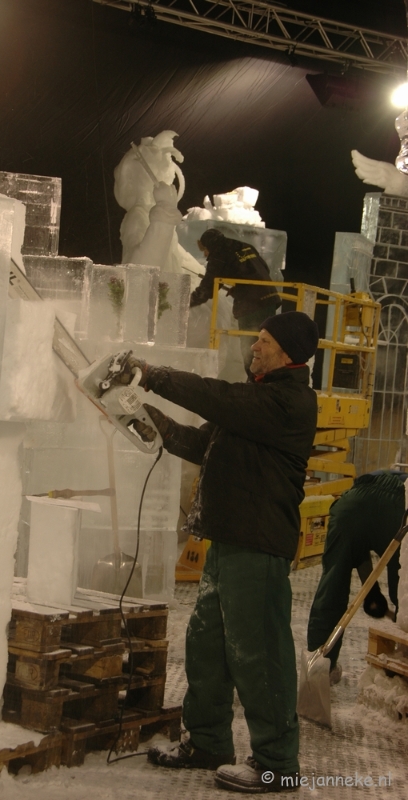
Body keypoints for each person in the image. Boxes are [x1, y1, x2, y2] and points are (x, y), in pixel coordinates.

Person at [118, 311, 319, 793]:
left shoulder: (287, 402)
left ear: (288, 354)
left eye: (264, 342)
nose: (254, 348)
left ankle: (276, 763)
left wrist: (152, 376)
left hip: (257, 547)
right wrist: (147, 419)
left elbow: (216, 397)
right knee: (206, 645)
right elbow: (197, 442)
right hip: (227, 542)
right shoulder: (254, 402)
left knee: (259, 654)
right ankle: (207, 740)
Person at [307, 470, 407, 684]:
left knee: (332, 587)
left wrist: (370, 592)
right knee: (404, 588)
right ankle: (404, 660)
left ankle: (320, 669)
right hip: (398, 507)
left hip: (350, 504)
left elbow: (359, 542)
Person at [190, 228, 282, 377]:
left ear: (209, 246)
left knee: (251, 347)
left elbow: (208, 286)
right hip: (269, 299)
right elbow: (262, 269)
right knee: (265, 343)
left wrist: (190, 301)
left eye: (205, 250)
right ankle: (265, 379)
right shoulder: (244, 246)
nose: (205, 254)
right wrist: (239, 287)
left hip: (252, 306)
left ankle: (255, 383)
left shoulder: (219, 254)